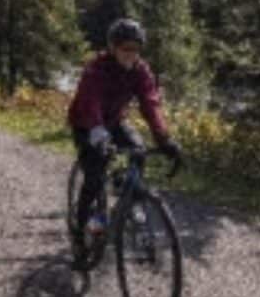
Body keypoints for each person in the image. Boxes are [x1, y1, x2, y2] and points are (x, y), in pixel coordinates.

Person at [66, 18, 181, 270]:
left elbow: (150, 103)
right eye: (125, 48)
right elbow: (90, 101)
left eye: (135, 49)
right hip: (87, 123)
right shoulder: (96, 69)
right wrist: (96, 131)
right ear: (113, 47)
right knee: (94, 177)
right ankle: (79, 232)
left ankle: (132, 199)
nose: (131, 54)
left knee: (138, 150)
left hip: (114, 121)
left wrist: (164, 138)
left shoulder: (140, 71)